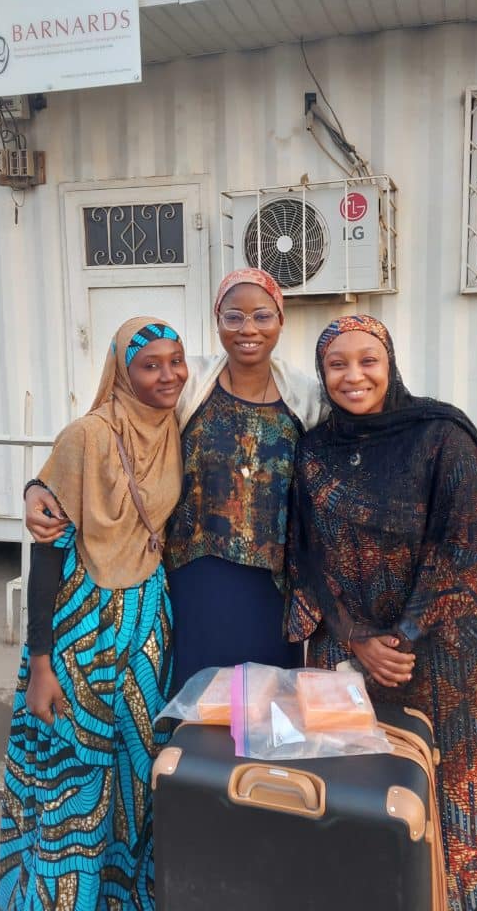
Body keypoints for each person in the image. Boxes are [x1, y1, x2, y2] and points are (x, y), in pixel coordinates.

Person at [286, 314, 477, 911]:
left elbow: (466, 542)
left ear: (389, 362)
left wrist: (403, 635)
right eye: (336, 364)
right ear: (322, 374)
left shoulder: (441, 436)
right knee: (368, 798)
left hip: (445, 657)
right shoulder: (315, 452)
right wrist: (358, 637)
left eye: (367, 359)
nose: (353, 375)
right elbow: (306, 555)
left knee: (459, 800)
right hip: (354, 659)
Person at [25, 268, 326, 693]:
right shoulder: (191, 383)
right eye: (233, 316)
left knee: (266, 706)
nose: (248, 329)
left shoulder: (307, 397)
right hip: (195, 575)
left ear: (281, 318)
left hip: (273, 583)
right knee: (196, 701)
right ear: (217, 320)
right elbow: (114, 423)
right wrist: (38, 486)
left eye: (262, 316)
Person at [0, 318, 187, 911]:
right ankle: (58, 898)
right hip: (82, 622)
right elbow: (47, 554)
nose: (167, 375)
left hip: (148, 618)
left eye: (175, 361)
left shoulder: (174, 426)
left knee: (136, 768)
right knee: (73, 772)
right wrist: (40, 661)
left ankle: (123, 895)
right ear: (121, 371)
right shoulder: (86, 436)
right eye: (149, 364)